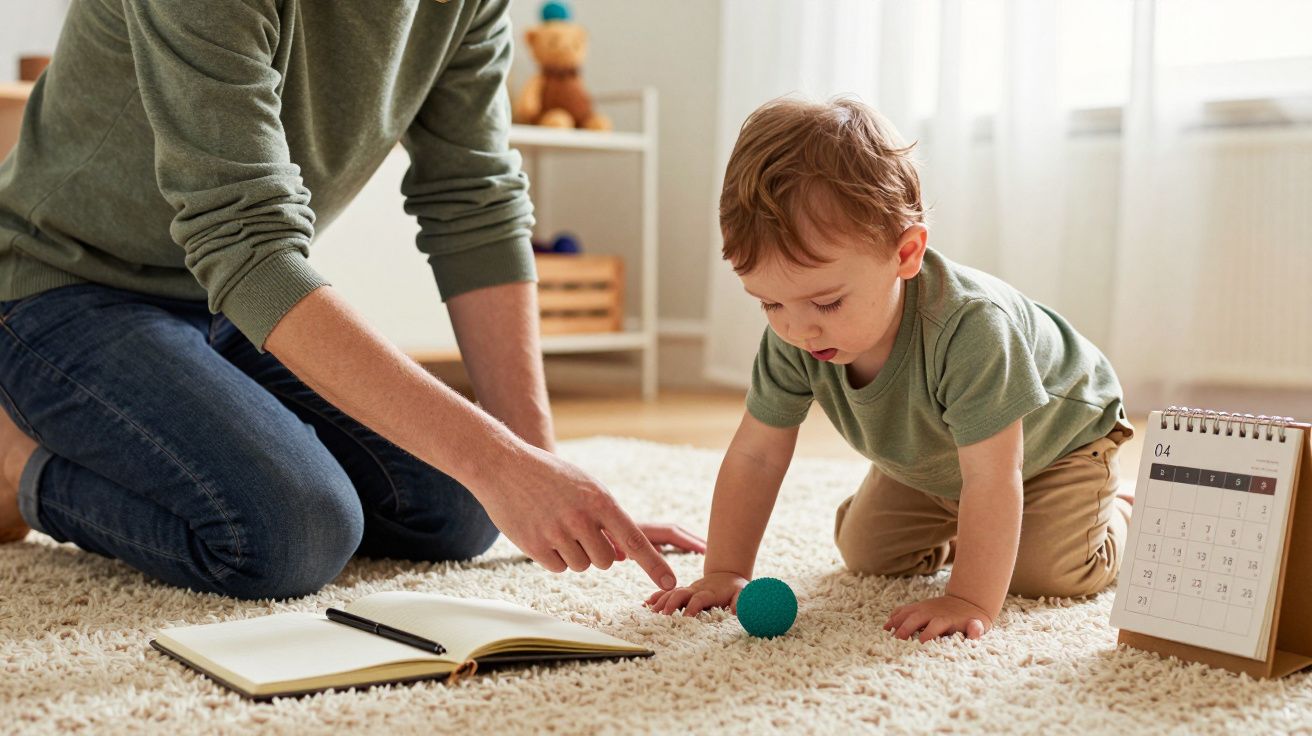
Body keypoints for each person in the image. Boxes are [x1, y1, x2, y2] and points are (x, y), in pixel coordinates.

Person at [0, 0, 702, 600]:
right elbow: (247, 243)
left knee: (459, 510)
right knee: (294, 531)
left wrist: (540, 465)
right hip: (59, 285)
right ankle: (16, 464)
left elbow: (475, 202)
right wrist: (499, 461)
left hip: (222, 304)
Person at [647, 97, 1132, 641]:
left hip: (1054, 449)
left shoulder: (972, 329)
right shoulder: (795, 331)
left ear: (906, 254)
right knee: (867, 553)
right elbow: (756, 455)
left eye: (827, 303)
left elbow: (994, 476)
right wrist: (725, 571)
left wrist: (968, 597)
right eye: (769, 303)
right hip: (938, 459)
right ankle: (965, 521)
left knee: (1042, 572)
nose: (798, 330)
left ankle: (1117, 512)